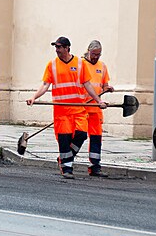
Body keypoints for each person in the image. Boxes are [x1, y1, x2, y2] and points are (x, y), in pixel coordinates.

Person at [26, 36, 107, 179]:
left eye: (59, 47)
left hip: (78, 108)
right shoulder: (52, 65)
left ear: (67, 48)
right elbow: (45, 85)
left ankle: (65, 158)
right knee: (64, 139)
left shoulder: (80, 64)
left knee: (81, 134)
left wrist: (98, 100)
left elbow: (87, 84)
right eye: (56, 47)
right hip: (61, 110)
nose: (57, 50)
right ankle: (67, 168)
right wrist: (34, 97)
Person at [83, 40, 114, 177]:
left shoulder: (102, 66)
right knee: (79, 135)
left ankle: (95, 166)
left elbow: (104, 84)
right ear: (88, 51)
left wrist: (108, 88)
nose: (96, 57)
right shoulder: (81, 64)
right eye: (94, 54)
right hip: (82, 107)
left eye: (98, 54)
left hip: (96, 108)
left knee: (96, 137)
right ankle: (66, 160)